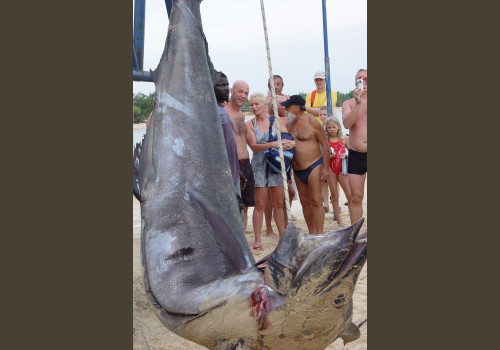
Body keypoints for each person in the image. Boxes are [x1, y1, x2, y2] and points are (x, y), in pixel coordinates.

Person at [246, 93, 294, 253]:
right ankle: (258, 239)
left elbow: (288, 139)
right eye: (251, 104)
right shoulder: (250, 124)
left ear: (263, 105)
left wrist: (289, 144)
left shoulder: (277, 121)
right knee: (259, 205)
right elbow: (253, 146)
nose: (253, 107)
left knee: (279, 204)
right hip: (259, 166)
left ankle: (282, 236)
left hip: (276, 166)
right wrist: (274, 143)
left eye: (256, 104)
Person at [280, 95, 330, 235]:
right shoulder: (288, 124)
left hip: (314, 164)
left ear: (297, 107)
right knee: (304, 202)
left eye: (288, 107)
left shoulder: (312, 122)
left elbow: (324, 144)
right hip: (296, 168)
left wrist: (325, 168)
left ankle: (319, 234)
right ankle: (312, 232)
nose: (285, 109)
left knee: (316, 200)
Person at [214, 71, 244, 226]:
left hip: (233, 174)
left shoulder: (221, 109)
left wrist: (236, 169)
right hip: (222, 178)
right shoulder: (210, 112)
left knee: (239, 216)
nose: (226, 88)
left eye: (227, 85)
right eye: (221, 85)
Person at [224, 80, 254, 233]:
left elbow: (250, 142)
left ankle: (242, 238)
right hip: (232, 165)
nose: (243, 96)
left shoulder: (242, 115)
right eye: (240, 91)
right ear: (231, 91)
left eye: (246, 93)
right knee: (235, 206)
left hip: (246, 163)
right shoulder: (223, 113)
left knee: (245, 206)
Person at [342, 69, 367, 224]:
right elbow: (346, 124)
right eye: (360, 78)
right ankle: (356, 236)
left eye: (366, 78)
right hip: (356, 154)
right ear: (355, 82)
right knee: (356, 197)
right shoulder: (348, 104)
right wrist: (358, 103)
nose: (363, 81)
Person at [266, 95, 297, 225]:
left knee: (290, 192)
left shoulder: (289, 121)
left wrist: (293, 143)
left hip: (287, 163)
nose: (284, 106)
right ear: (273, 106)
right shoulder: (268, 120)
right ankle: (270, 226)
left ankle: (285, 221)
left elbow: (297, 139)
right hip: (272, 163)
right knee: (272, 198)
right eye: (281, 104)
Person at [325, 117, 352, 227]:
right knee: (334, 196)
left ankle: (353, 218)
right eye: (329, 127)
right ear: (326, 129)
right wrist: (329, 156)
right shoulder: (325, 140)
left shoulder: (344, 138)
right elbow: (321, 155)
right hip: (331, 169)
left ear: (338, 127)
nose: (332, 129)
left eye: (334, 127)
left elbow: (352, 152)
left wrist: (346, 154)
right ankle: (339, 221)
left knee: (349, 195)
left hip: (342, 168)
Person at [318, 106, 330, 213]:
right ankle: (325, 202)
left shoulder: (332, 126)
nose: (322, 116)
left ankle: (332, 200)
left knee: (334, 182)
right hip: (322, 156)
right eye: (320, 114)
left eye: (324, 114)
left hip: (333, 157)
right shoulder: (318, 127)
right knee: (324, 181)